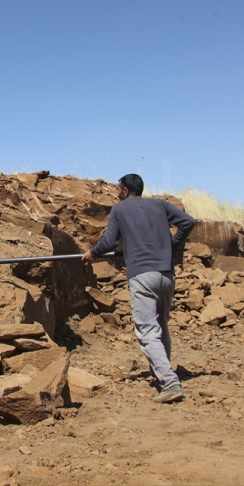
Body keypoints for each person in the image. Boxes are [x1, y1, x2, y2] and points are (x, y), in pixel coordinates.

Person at [82, 173, 195, 403]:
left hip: (143, 275)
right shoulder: (160, 204)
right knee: (161, 325)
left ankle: (170, 382)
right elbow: (188, 222)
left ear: (124, 191)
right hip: (166, 274)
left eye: (117, 189)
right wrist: (172, 245)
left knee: (147, 331)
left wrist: (92, 253)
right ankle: (161, 370)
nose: (116, 192)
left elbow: (110, 242)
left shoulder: (119, 210)